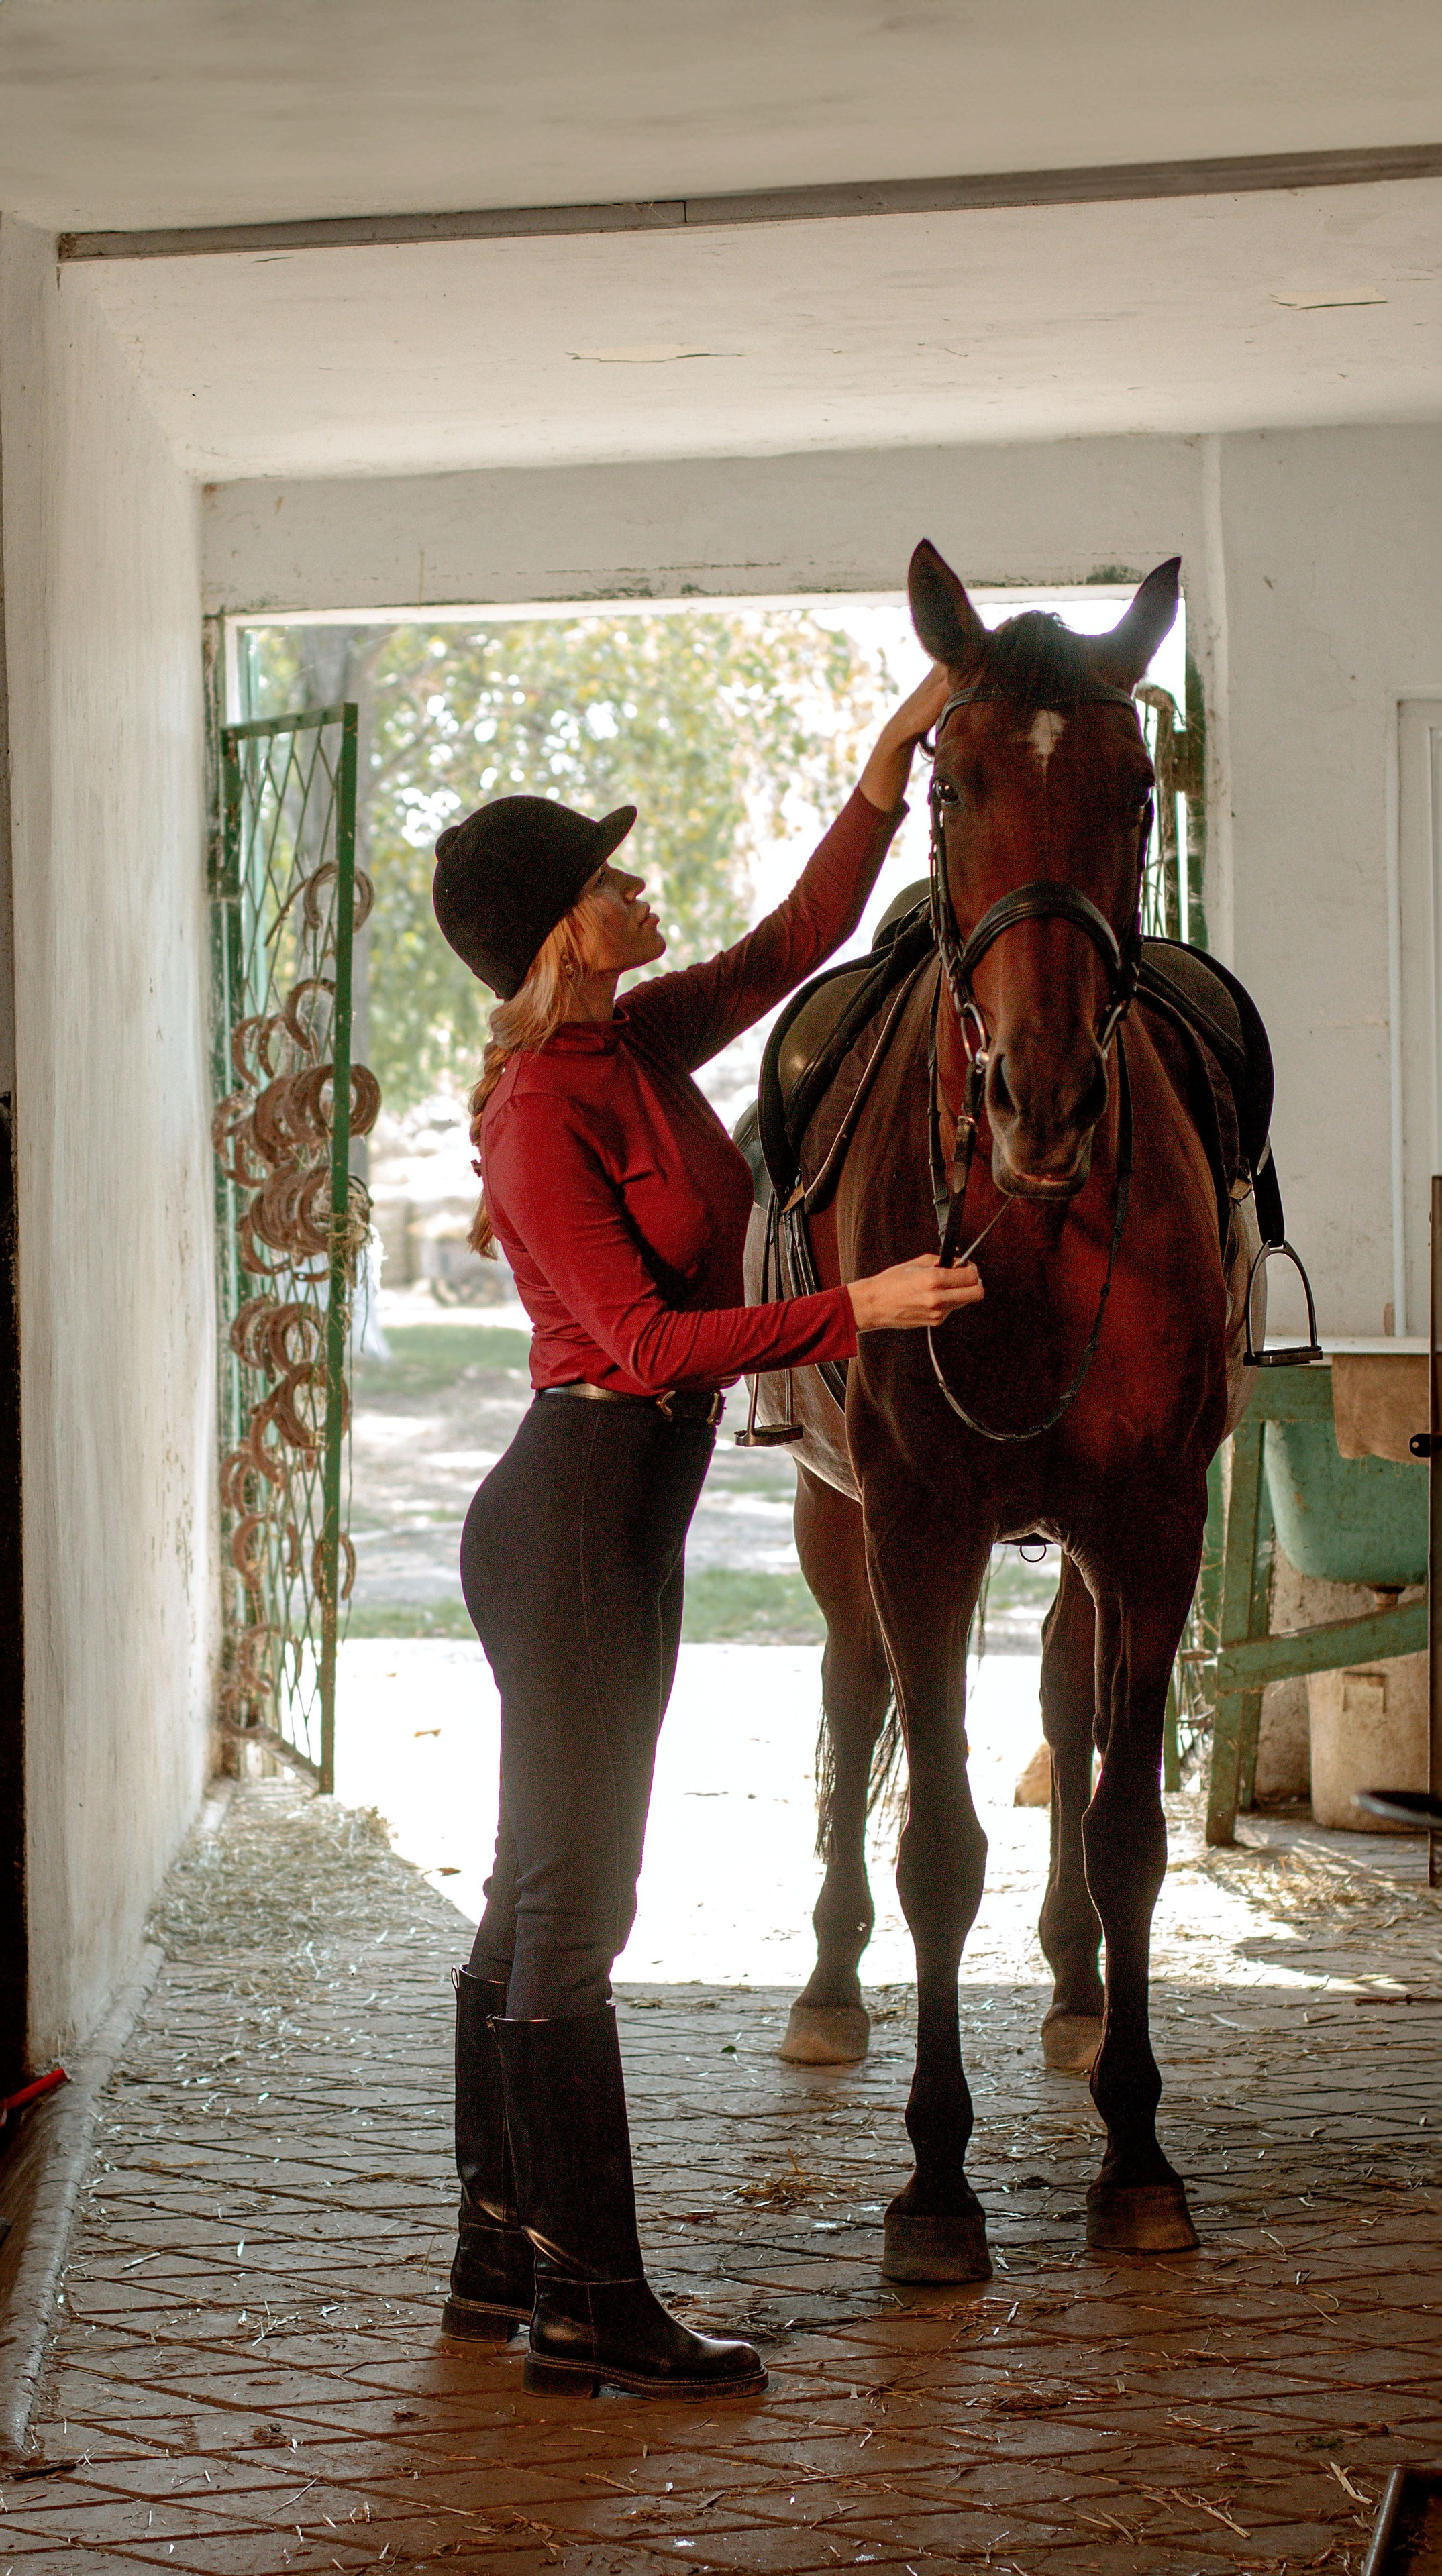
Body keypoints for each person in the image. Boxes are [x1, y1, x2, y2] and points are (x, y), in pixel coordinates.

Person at [429, 666, 980, 2400]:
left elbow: (785, 944)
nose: (637, 887)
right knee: (578, 1902)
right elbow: (645, 1347)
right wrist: (856, 1303)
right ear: (559, 931)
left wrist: (886, 776)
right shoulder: (536, 1112)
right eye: (610, 876)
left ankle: (502, 2253)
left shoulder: (627, 1039)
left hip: (611, 1507)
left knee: (538, 1892)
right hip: (581, 1502)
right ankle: (591, 2300)